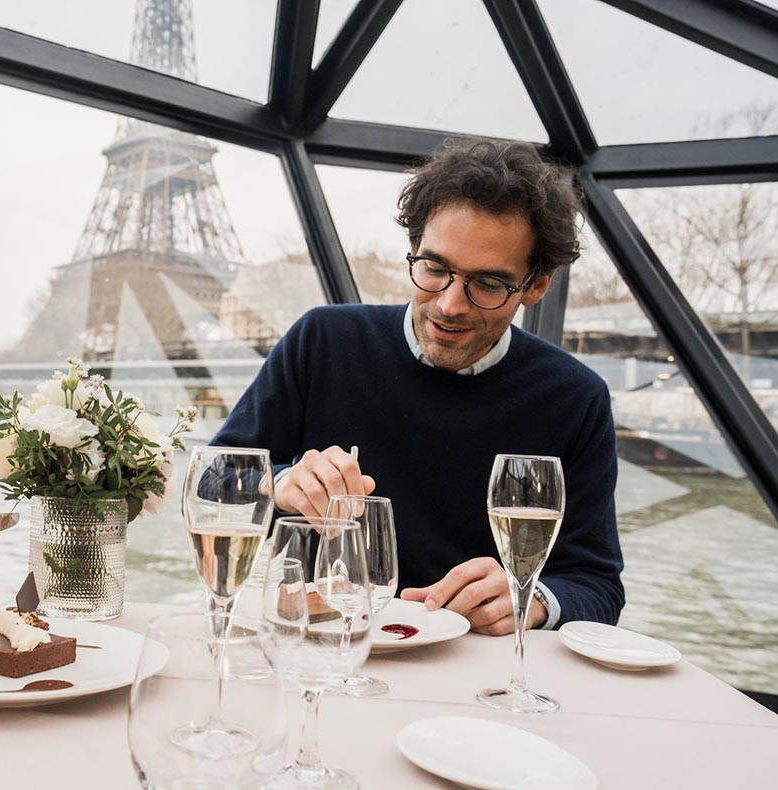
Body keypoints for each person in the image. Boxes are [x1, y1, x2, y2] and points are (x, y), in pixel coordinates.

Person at [213, 138, 624, 635]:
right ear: (412, 251)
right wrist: (278, 481)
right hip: (320, 645)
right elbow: (213, 478)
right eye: (434, 268)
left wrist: (534, 599)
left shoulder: (576, 398)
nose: (451, 304)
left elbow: (597, 583)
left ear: (536, 286)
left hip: (477, 671)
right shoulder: (322, 339)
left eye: (489, 284)